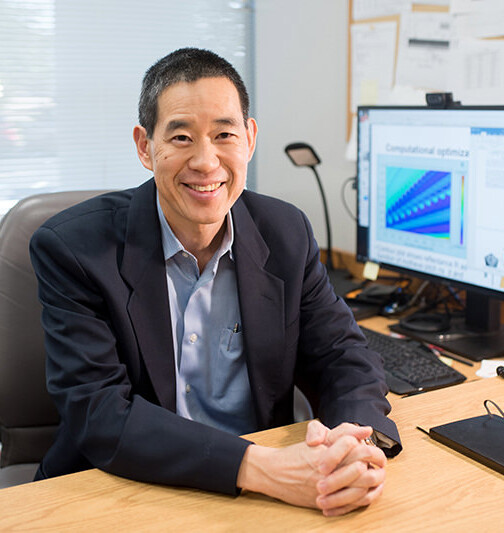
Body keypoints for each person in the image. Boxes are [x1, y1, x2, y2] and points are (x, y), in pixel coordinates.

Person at [29, 47, 401, 517]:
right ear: (145, 146)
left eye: (224, 134)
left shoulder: (285, 232)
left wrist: (353, 444)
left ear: (249, 138)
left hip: (265, 501)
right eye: (181, 137)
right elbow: (99, 414)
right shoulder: (74, 249)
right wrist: (266, 468)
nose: (206, 162)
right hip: (121, 491)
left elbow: (344, 358)